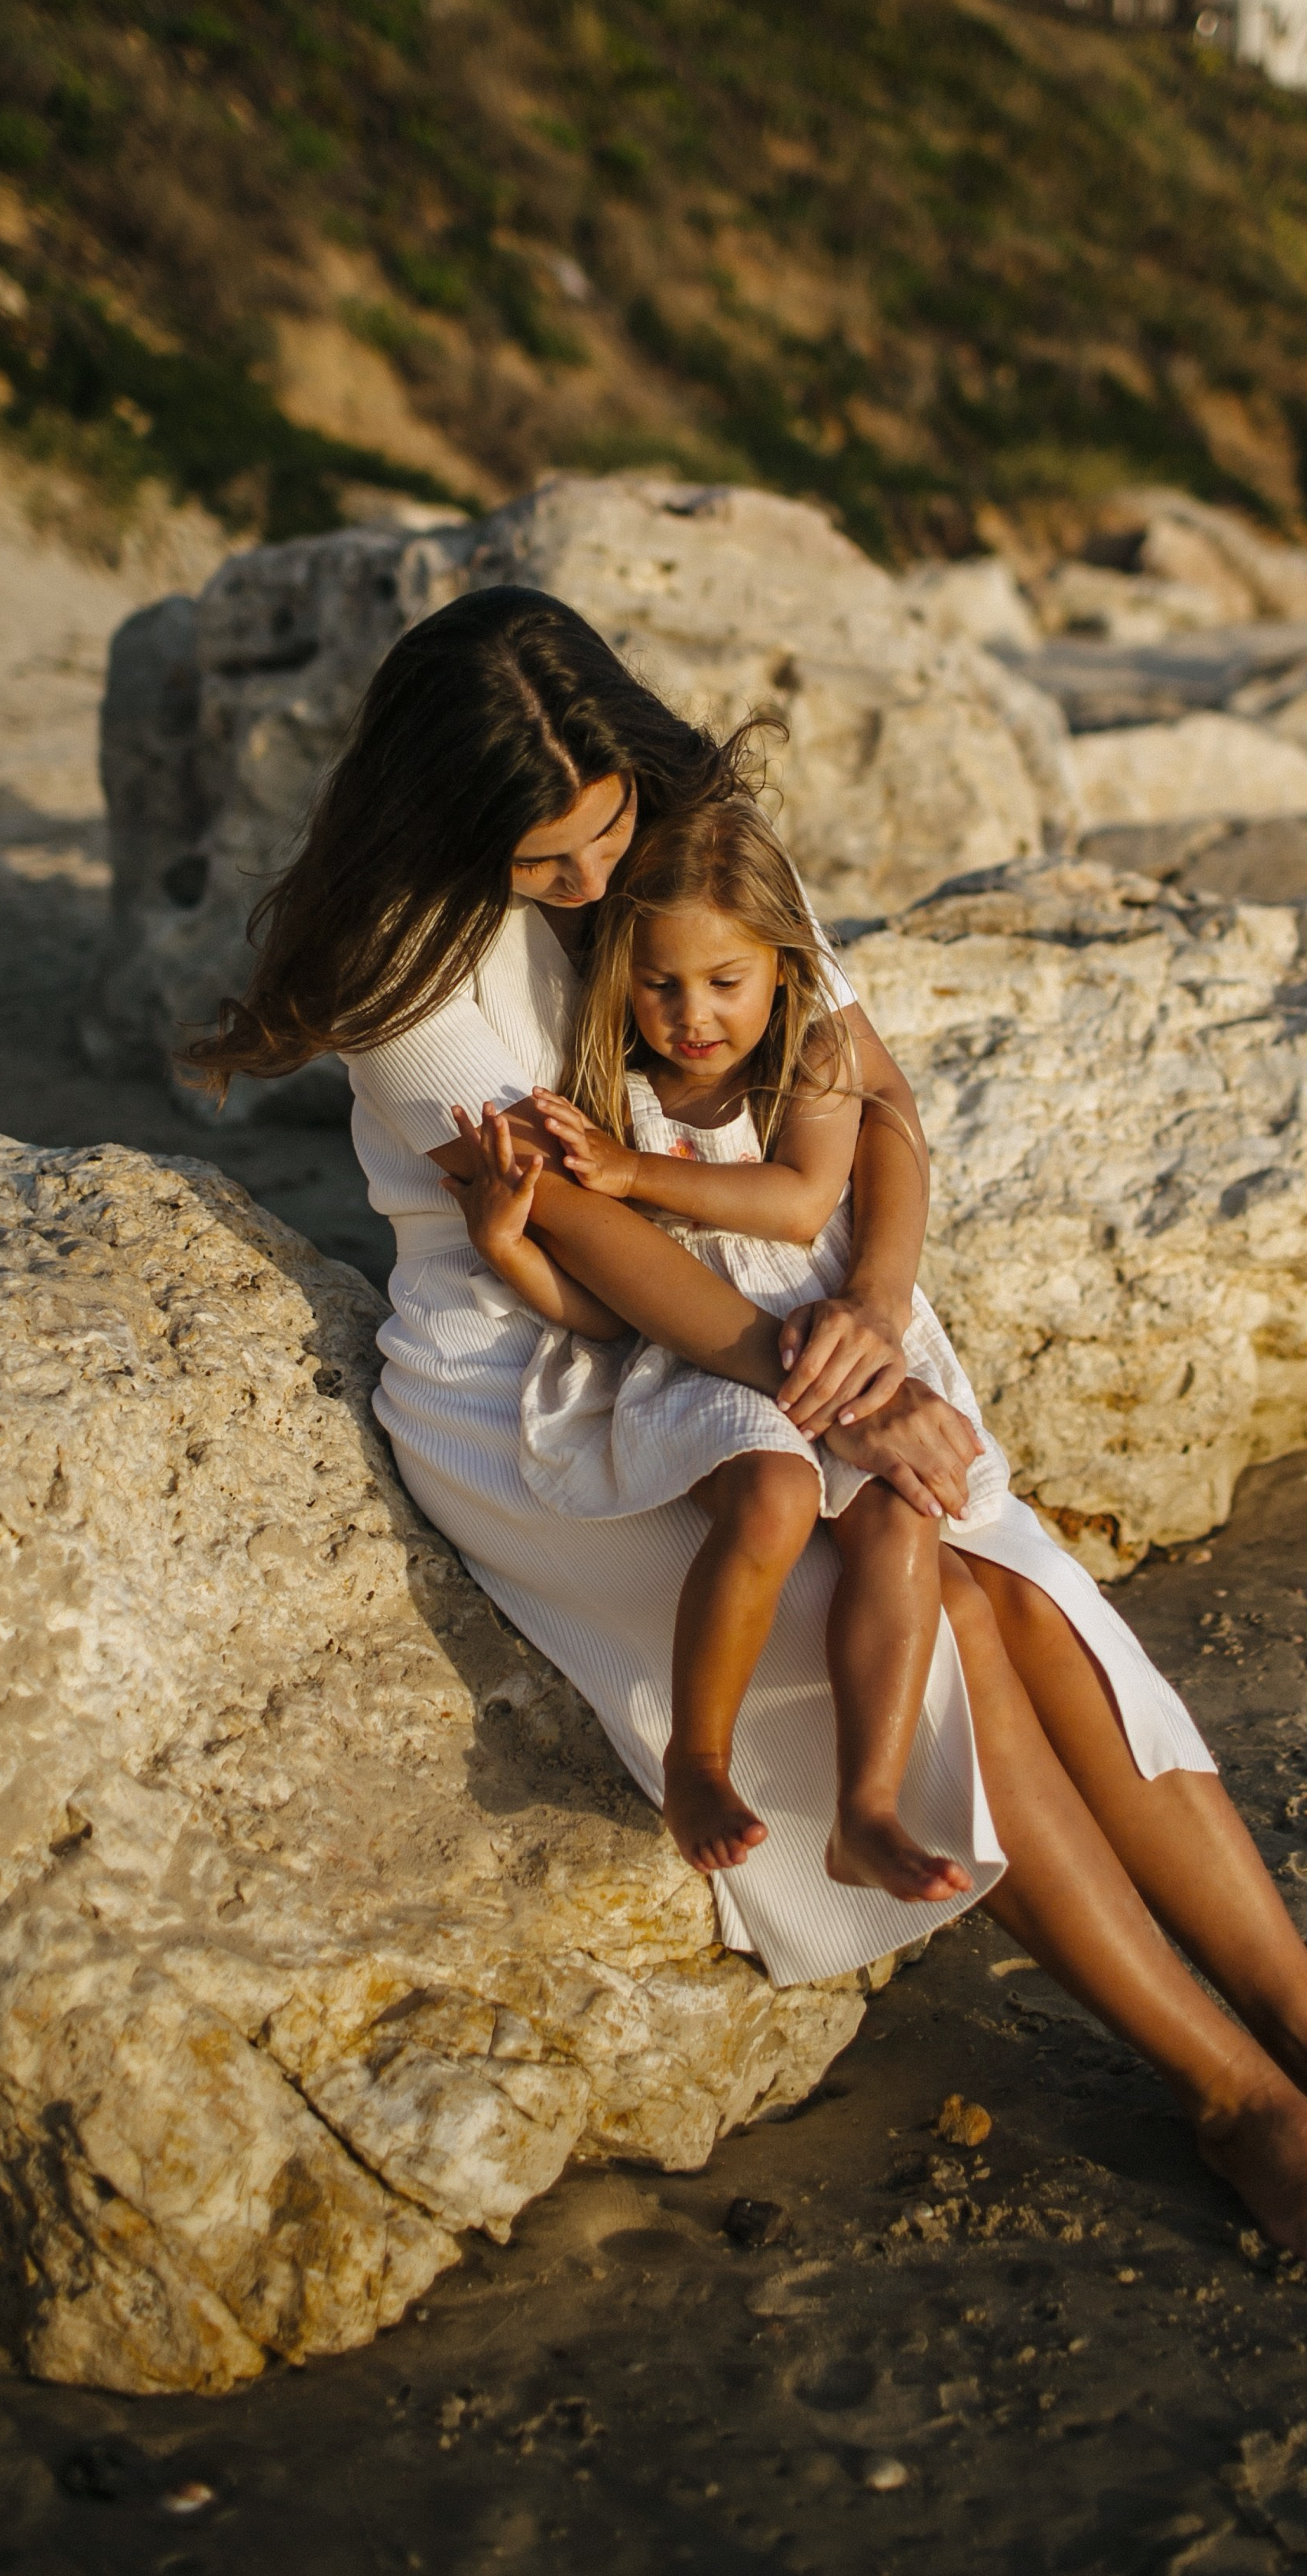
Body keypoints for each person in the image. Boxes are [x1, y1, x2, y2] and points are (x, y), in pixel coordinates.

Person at [192, 582, 1307, 2279]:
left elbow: (875, 1096)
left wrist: (879, 1319)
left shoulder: (698, 848)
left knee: (1043, 1608)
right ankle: (1234, 2097)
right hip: (555, 1363)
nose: (594, 882)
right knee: (946, 1618)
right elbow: (584, 1241)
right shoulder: (410, 960)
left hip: (789, 1288)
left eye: (606, 829)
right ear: (444, 825)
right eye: (545, 865)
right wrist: (803, 1370)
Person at [450, 792, 1007, 1902]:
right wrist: (511, 1249)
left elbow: (802, 1201)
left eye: (723, 982)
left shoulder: (806, 1056)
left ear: (779, 965)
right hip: (692, 1352)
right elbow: (610, 1314)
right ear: (619, 974)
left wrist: (629, 1172)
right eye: (658, 982)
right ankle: (695, 1758)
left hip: (825, 1328)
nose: (690, 1014)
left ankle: (867, 1805)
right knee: (770, 1493)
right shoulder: (606, 1086)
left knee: (900, 1513)